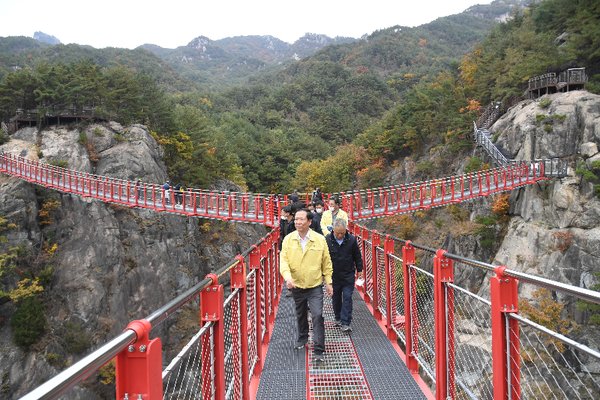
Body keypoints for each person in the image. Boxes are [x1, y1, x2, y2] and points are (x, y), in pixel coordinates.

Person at [280, 209, 333, 363]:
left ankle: (318, 349)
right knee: (301, 312)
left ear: (310, 222)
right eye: (296, 219)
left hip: (315, 284)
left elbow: (326, 262)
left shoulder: (319, 239)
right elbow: (283, 261)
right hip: (296, 284)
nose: (298, 222)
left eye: (301, 219)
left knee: (317, 315)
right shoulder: (288, 240)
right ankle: (303, 336)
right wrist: (287, 278)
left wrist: (328, 282)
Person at [326, 218, 363, 333]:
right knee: (336, 296)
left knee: (347, 297)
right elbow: (323, 258)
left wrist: (359, 269)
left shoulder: (351, 239)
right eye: (337, 233)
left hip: (348, 274)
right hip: (333, 275)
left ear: (346, 230)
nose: (340, 235)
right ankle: (337, 316)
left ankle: (346, 322)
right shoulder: (327, 240)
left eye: (342, 232)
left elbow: (357, 255)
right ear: (333, 230)